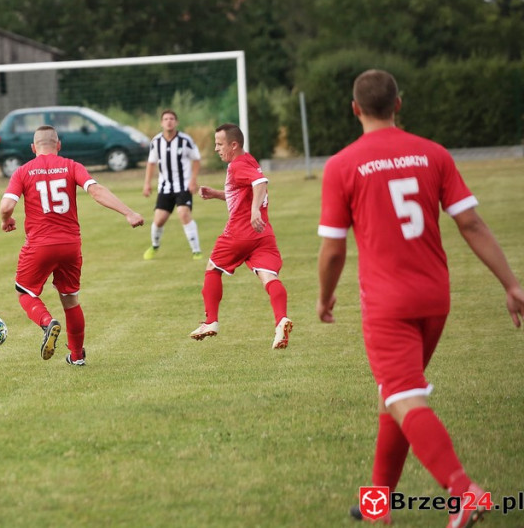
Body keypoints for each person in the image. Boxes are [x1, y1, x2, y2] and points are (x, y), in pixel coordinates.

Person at [316, 69, 524, 527]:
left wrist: (324, 298)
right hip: (435, 298)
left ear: (355, 109)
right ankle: (378, 503)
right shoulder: (433, 153)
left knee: (404, 396)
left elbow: (333, 249)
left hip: (388, 304)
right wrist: (511, 284)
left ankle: (462, 490)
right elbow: (470, 224)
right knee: (396, 394)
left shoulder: (343, 165)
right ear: (399, 104)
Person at [0, 125, 144, 366]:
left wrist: (6, 220)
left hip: (40, 245)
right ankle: (77, 357)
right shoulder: (71, 165)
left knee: (25, 292)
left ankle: (47, 323)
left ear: (33, 148)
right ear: (58, 145)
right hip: (70, 244)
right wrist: (128, 213)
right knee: (70, 299)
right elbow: (96, 191)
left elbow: (6, 206)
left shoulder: (23, 171)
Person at [189, 123, 293, 350]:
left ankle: (210, 322)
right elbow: (244, 191)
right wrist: (217, 194)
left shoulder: (237, 165)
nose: (216, 149)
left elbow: (260, 183)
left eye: (219, 144)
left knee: (212, 268)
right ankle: (281, 320)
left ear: (233, 145)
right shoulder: (249, 160)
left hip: (240, 232)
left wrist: (255, 209)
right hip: (263, 233)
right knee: (269, 278)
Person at [142, 109, 203, 260]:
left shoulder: (185, 140)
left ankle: (196, 250)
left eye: (172, 118)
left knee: (183, 213)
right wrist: (147, 184)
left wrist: (193, 180)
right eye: (166, 119)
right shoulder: (156, 142)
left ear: (176, 122)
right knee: (159, 220)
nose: (169, 121)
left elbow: (196, 159)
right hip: (165, 187)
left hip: (183, 186)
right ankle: (155, 246)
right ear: (161, 122)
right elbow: (151, 163)